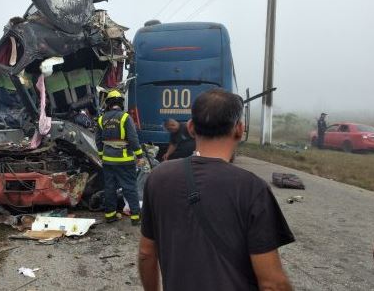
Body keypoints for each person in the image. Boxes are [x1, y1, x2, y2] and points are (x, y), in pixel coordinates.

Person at [139, 89, 295, 291]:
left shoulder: (158, 177)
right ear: (239, 129)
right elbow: (273, 284)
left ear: (192, 128)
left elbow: (146, 253)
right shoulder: (252, 188)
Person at [96, 90, 144, 226]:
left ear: (108, 104)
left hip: (108, 161)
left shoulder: (101, 119)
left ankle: (110, 215)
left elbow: (98, 141)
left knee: (110, 187)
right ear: (121, 103)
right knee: (129, 187)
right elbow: (133, 139)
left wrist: (101, 156)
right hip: (124, 160)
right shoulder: (125, 117)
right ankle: (135, 216)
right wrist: (139, 155)